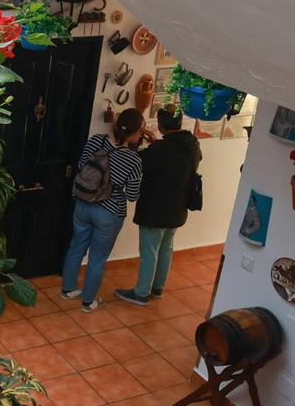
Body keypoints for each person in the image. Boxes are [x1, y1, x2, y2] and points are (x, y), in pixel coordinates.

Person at [60, 109, 147, 312]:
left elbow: (83, 167)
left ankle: (68, 289)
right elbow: (133, 195)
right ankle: (88, 302)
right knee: (97, 257)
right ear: (136, 132)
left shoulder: (96, 140)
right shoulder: (134, 160)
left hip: (83, 204)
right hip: (109, 211)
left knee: (75, 247)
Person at [117, 107, 201, 306]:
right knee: (165, 250)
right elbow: (171, 161)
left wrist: (132, 144)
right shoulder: (193, 144)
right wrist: (155, 143)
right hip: (178, 209)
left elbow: (139, 163)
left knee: (149, 252)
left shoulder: (162, 149)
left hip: (155, 209)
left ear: (161, 126)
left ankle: (141, 293)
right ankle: (157, 288)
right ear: (180, 123)